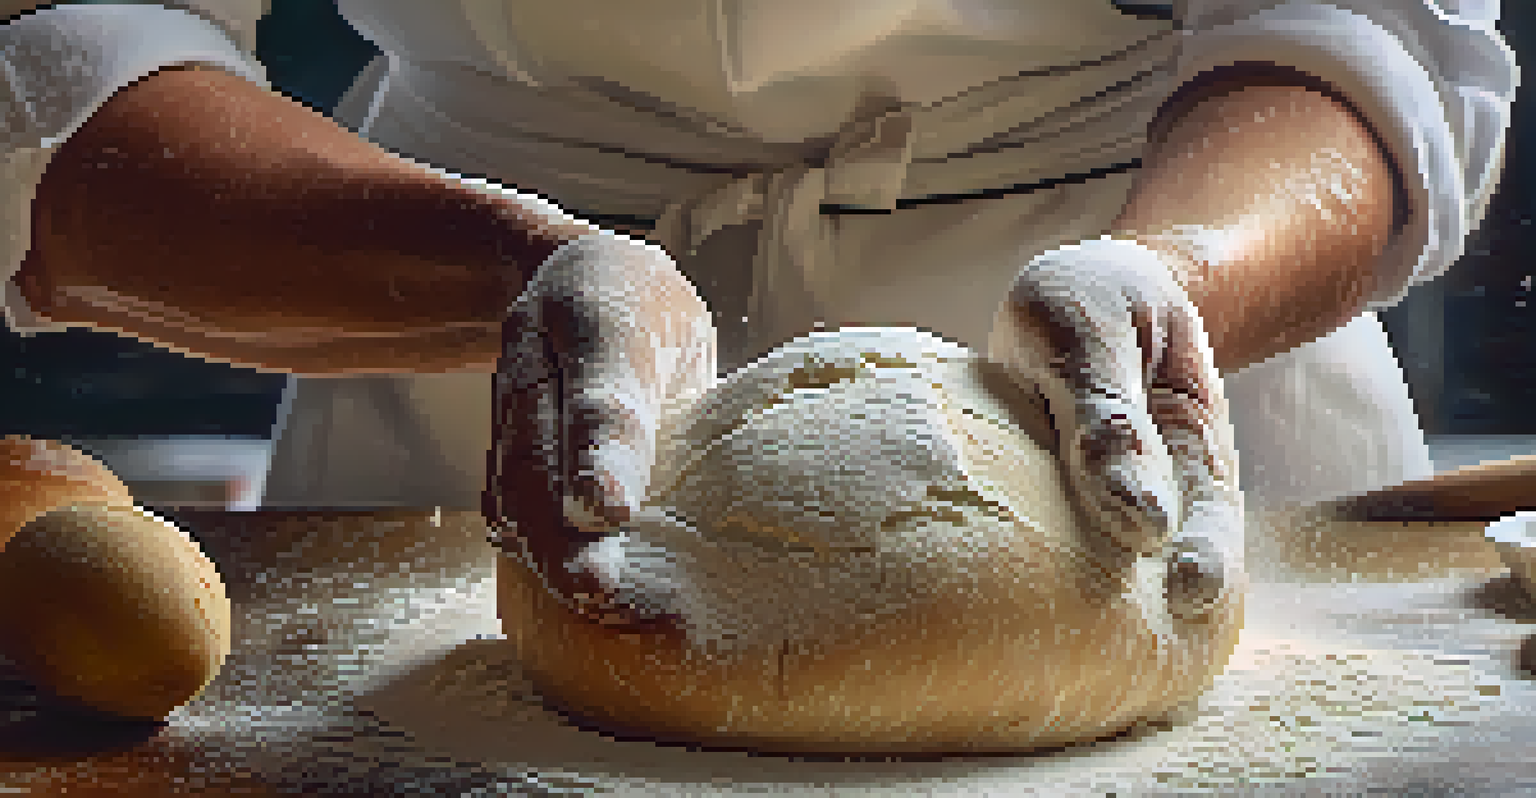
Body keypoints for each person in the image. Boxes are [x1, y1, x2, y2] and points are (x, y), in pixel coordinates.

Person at [0, 1, 1517, 625]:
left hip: (1161, 350)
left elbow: (1359, 26)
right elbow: (63, 59)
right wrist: (506, 269)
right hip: (461, 338)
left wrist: (1175, 277)